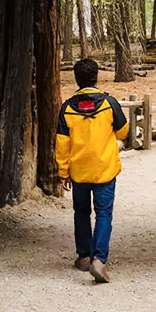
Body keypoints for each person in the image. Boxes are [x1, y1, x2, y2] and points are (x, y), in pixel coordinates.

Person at [55, 57, 126, 283]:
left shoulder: (67, 108)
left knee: (81, 213)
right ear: (97, 77)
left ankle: (84, 256)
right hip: (104, 169)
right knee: (104, 213)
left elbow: (62, 143)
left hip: (79, 172)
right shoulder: (109, 103)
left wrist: (63, 172)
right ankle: (99, 260)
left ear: (76, 79)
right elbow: (123, 131)